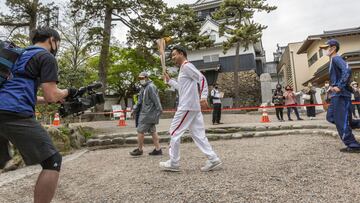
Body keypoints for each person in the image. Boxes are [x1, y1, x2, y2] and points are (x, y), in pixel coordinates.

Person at [0, 27, 78, 203]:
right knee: (53, 161)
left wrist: (52, 99)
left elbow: (24, 93)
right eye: (57, 43)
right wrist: (68, 91)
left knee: (2, 161)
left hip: (4, 109)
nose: (57, 46)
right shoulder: (46, 57)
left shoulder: (19, 55)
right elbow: (52, 93)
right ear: (52, 40)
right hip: (14, 114)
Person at [161, 46, 222, 172]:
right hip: (192, 107)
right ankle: (213, 159)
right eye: (171, 56)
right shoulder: (183, 69)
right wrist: (170, 81)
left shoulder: (186, 66)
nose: (173, 58)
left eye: (174, 55)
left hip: (187, 107)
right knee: (198, 135)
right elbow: (182, 88)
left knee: (174, 132)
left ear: (182, 54)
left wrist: (204, 96)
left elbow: (202, 79)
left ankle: (174, 162)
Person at [320, 39, 360, 152]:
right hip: (336, 95)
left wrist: (340, 86)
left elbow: (347, 70)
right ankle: (350, 127)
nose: (325, 51)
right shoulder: (333, 60)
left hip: (340, 95)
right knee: (331, 117)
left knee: (341, 120)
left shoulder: (336, 58)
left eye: (325, 48)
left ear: (333, 48)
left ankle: (353, 145)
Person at [130, 72, 163, 156]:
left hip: (147, 114)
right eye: (139, 78)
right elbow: (139, 101)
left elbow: (156, 100)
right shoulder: (143, 88)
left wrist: (159, 110)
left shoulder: (151, 87)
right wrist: (134, 109)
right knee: (153, 131)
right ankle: (158, 149)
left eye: (142, 78)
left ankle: (139, 150)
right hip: (147, 113)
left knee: (140, 130)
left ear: (146, 78)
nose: (141, 80)